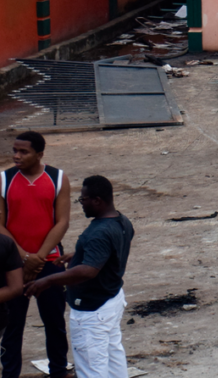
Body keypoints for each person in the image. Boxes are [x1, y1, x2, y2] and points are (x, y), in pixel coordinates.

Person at [26, 175, 134, 378]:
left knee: (92, 368)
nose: (80, 204)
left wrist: (48, 279)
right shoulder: (122, 221)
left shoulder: (98, 232)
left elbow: (88, 271)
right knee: (112, 357)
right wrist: (80, 254)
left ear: (97, 200)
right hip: (111, 299)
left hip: (92, 311)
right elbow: (112, 249)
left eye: (83, 200)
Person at [0, 132, 71, 378]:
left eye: (24, 152)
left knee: (55, 323)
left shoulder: (58, 178)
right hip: (12, 265)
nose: (16, 156)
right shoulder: (3, 180)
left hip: (49, 263)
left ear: (39, 155)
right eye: (15, 150)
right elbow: (0, 225)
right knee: (11, 326)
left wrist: (37, 257)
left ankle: (59, 372)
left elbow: (62, 222)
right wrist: (23, 256)